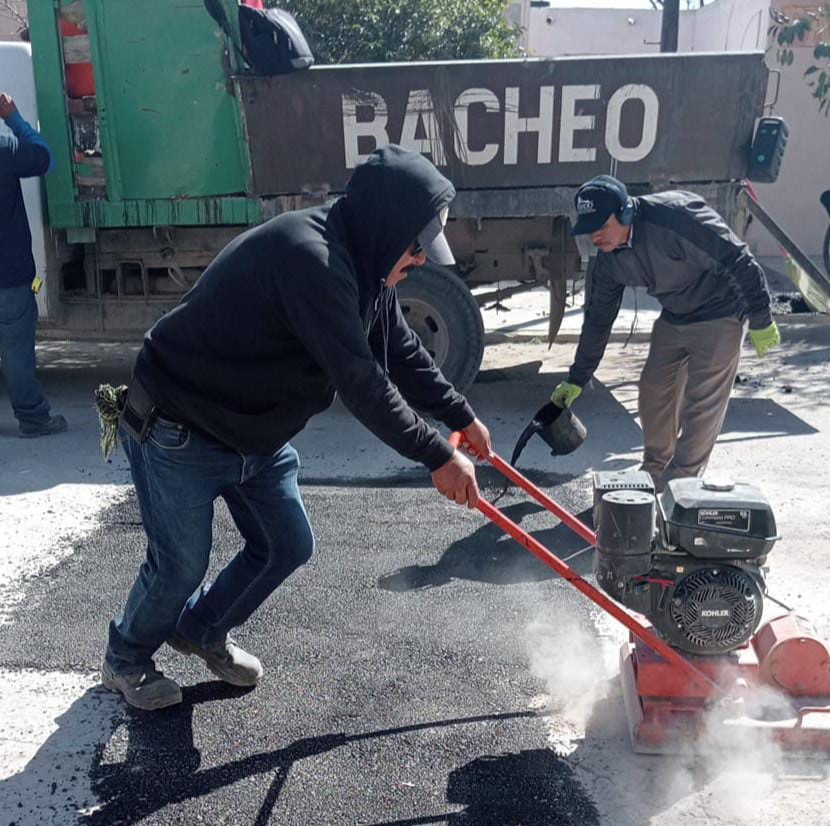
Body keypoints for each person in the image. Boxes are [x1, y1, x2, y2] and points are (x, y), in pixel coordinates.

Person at [102, 145, 491, 710]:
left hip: (253, 431)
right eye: (416, 245)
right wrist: (436, 454)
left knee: (286, 543)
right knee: (180, 564)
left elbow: (400, 352)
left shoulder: (364, 264)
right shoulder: (312, 260)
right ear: (387, 227)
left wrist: (461, 417)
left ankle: (200, 630)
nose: (422, 260)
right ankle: (126, 658)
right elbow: (362, 381)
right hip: (180, 423)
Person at [550, 175, 780, 490]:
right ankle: (654, 473)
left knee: (701, 405)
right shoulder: (607, 262)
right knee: (654, 389)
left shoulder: (677, 217)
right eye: (588, 229)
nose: (594, 237)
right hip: (676, 315)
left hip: (722, 310)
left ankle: (681, 484)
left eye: (600, 226)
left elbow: (737, 257)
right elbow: (598, 320)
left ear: (625, 213)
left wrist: (761, 316)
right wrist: (577, 377)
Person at [0, 93, 67, 437]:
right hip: (8, 274)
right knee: (15, 349)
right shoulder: (4, 149)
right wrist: (13, 118)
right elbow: (45, 159)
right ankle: (34, 418)